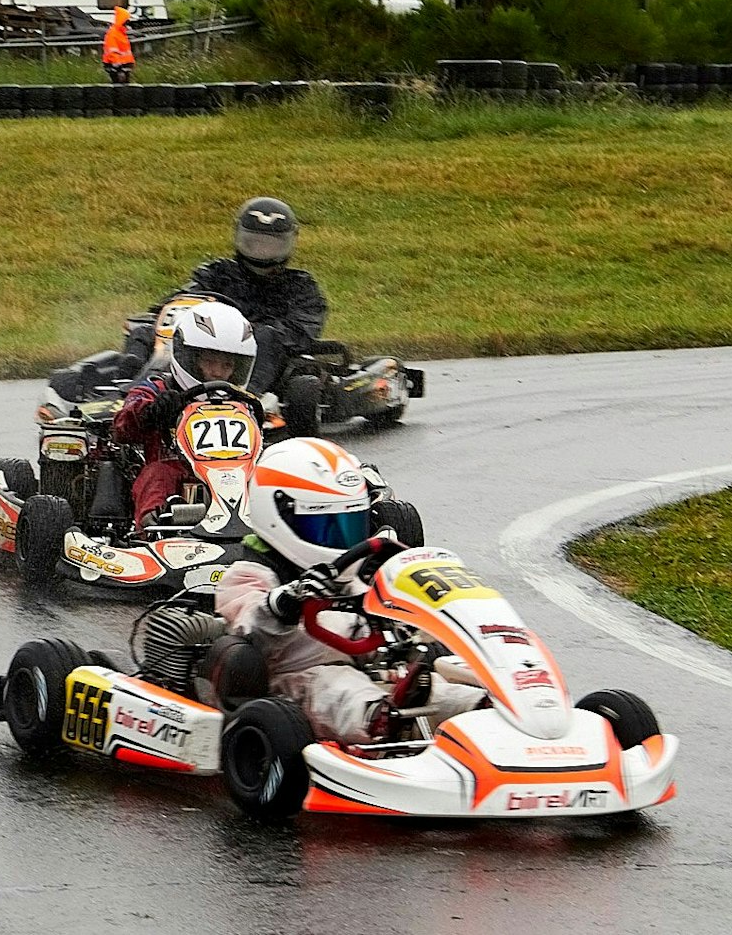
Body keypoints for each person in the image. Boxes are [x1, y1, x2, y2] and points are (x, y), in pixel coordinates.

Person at [214, 436, 477, 743]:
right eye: (326, 526)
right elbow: (247, 630)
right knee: (341, 689)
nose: (341, 539)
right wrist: (285, 603)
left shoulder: (354, 573)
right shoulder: (249, 573)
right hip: (292, 682)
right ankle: (381, 724)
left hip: (369, 667)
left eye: (351, 523)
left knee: (439, 689)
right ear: (279, 516)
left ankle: (478, 714)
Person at [128, 197, 328, 396]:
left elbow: (301, 331)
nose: (262, 250)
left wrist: (242, 331)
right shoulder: (217, 273)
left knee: (267, 336)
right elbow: (182, 302)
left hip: (254, 361)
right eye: (255, 242)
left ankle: (247, 397)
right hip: (204, 346)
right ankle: (131, 389)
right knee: (144, 331)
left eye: (270, 244)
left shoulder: (301, 287)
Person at [112, 302, 258, 529]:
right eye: (210, 361)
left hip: (234, 473)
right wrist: (151, 412)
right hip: (177, 472)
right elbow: (121, 427)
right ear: (190, 357)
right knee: (157, 474)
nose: (218, 372)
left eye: (227, 364)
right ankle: (153, 531)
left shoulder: (242, 401)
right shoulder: (156, 389)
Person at [103, 6, 136, 84]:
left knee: (124, 90)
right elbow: (113, 51)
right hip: (118, 68)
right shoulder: (113, 33)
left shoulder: (121, 33)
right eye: (126, 20)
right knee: (118, 90)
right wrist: (119, 68)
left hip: (123, 67)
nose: (128, 22)